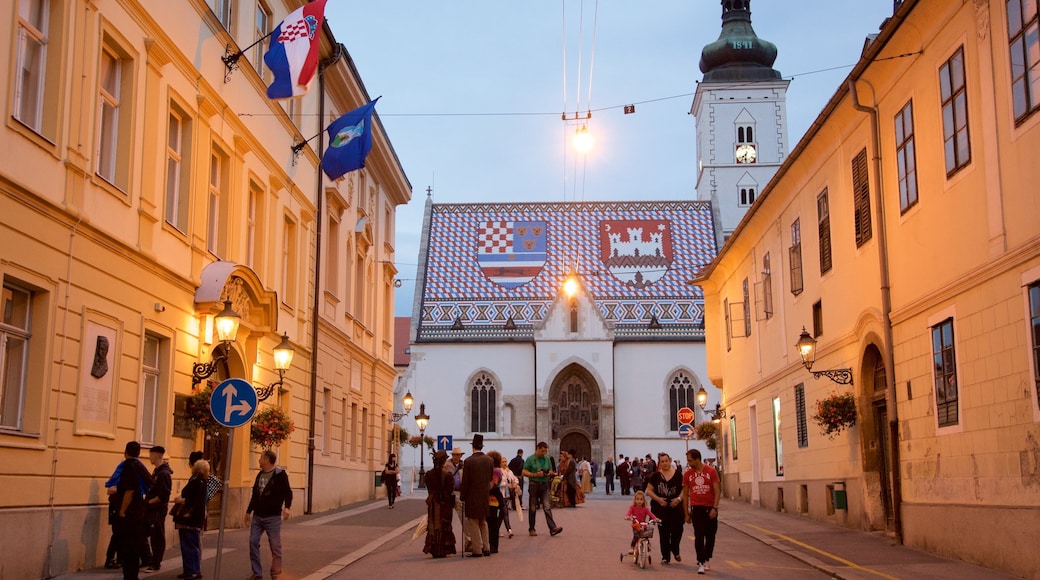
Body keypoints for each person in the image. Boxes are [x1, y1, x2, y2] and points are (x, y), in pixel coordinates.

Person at [245, 449, 293, 580]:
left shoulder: (280, 475)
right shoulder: (260, 475)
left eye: (261, 458)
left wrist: (287, 507)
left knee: (275, 546)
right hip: (258, 516)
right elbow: (255, 495)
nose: (259, 460)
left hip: (272, 517)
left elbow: (288, 492)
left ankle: (275, 572)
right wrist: (248, 511)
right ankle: (257, 572)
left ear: (267, 460)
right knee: (253, 542)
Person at [113, 441, 153, 580]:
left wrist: (122, 511)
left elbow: (129, 491)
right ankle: (133, 576)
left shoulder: (128, 467)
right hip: (140, 511)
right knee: (135, 549)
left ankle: (129, 577)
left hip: (130, 513)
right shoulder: (141, 467)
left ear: (126, 452)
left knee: (128, 549)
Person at [683, 449, 721, 575]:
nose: (688, 463)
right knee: (699, 536)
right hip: (697, 508)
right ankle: (700, 561)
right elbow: (685, 494)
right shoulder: (688, 474)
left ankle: (707, 557)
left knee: (710, 536)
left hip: (710, 507)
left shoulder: (711, 471)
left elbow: (717, 490)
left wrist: (715, 508)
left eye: (690, 460)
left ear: (697, 459)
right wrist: (686, 513)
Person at [172, 459, 208, 580]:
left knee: (188, 545)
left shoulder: (196, 482)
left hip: (189, 518)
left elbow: (192, 499)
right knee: (194, 544)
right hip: (197, 518)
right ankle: (194, 570)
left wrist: (180, 500)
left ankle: (191, 570)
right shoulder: (204, 482)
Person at [646, 452, 684, 564]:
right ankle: (665, 557)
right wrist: (658, 499)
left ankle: (675, 548)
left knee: (678, 529)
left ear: (670, 460)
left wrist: (679, 499)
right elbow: (649, 490)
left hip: (675, 507)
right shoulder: (656, 475)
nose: (665, 463)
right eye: (662, 461)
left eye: (666, 461)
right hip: (661, 508)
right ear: (659, 463)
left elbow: (684, 490)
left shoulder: (678, 474)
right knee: (664, 533)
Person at [460, 434, 494, 557]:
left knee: (473, 522)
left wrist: (462, 496)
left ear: (473, 447)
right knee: (483, 522)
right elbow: (490, 478)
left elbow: (465, 481)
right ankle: (487, 547)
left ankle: (477, 549)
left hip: (472, 497)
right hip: (484, 496)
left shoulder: (468, 461)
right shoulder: (489, 460)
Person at [521, 442, 563, 537]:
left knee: (547, 506)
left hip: (544, 484)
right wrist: (535, 474)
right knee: (532, 508)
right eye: (542, 451)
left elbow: (551, 470)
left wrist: (549, 473)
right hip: (534, 485)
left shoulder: (547, 459)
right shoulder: (530, 459)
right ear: (537, 449)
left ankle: (553, 528)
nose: (544, 453)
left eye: (545, 451)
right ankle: (531, 528)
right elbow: (524, 471)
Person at [143, 445, 173, 572]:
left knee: (157, 536)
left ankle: (156, 563)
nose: (149, 457)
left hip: (157, 510)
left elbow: (163, 495)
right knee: (144, 533)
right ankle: (148, 559)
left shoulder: (163, 474)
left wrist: (149, 502)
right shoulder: (157, 472)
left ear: (156, 456)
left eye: (151, 454)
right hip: (151, 509)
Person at [422, 450, 457, 558]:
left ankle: (434, 548)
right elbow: (450, 490)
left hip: (433, 502)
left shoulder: (429, 474)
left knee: (434, 525)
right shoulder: (447, 475)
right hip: (444, 503)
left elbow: (429, 489)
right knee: (444, 524)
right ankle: (443, 548)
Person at [624, 490, 657, 555]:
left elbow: (651, 514)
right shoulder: (632, 507)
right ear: (635, 500)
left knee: (647, 535)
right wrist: (627, 516)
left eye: (641, 499)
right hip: (636, 525)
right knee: (636, 536)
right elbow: (629, 513)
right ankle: (632, 547)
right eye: (638, 499)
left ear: (644, 500)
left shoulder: (645, 509)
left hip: (643, 525)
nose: (639, 501)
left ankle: (647, 545)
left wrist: (655, 519)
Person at [485, 450, 506, 554]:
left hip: (493, 500)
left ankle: (493, 545)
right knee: (491, 523)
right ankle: (492, 544)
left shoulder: (496, 471)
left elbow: (493, 485)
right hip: (493, 499)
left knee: (492, 524)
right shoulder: (496, 470)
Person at [498, 453, 519, 539]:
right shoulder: (498, 471)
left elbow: (515, 479)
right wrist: (506, 484)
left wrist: (515, 484)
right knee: (505, 512)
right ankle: (509, 530)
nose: (504, 463)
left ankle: (495, 529)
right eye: (503, 462)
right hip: (500, 494)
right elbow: (498, 483)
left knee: (502, 514)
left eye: (505, 461)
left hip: (508, 495)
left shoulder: (509, 471)